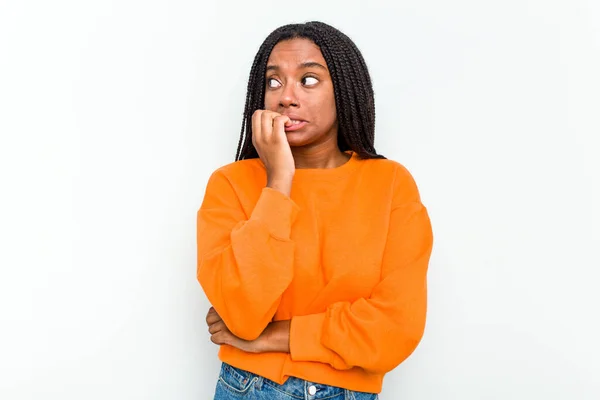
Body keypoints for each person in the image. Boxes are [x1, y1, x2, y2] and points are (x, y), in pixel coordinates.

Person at [196, 21, 433, 399]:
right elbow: (242, 313)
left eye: (308, 80)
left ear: (345, 90)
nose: (286, 97)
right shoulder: (231, 184)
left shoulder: (390, 184)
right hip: (248, 388)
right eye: (273, 82)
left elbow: (395, 328)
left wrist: (277, 336)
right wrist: (279, 181)